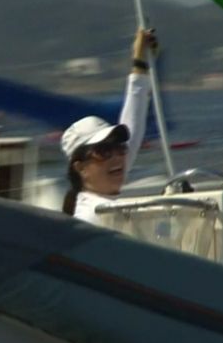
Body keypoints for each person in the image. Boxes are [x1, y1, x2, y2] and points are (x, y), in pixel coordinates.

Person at [61, 28, 157, 224]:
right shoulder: (91, 219)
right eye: (104, 151)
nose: (117, 156)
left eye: (119, 147)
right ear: (81, 168)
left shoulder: (100, 193)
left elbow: (134, 127)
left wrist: (140, 63)